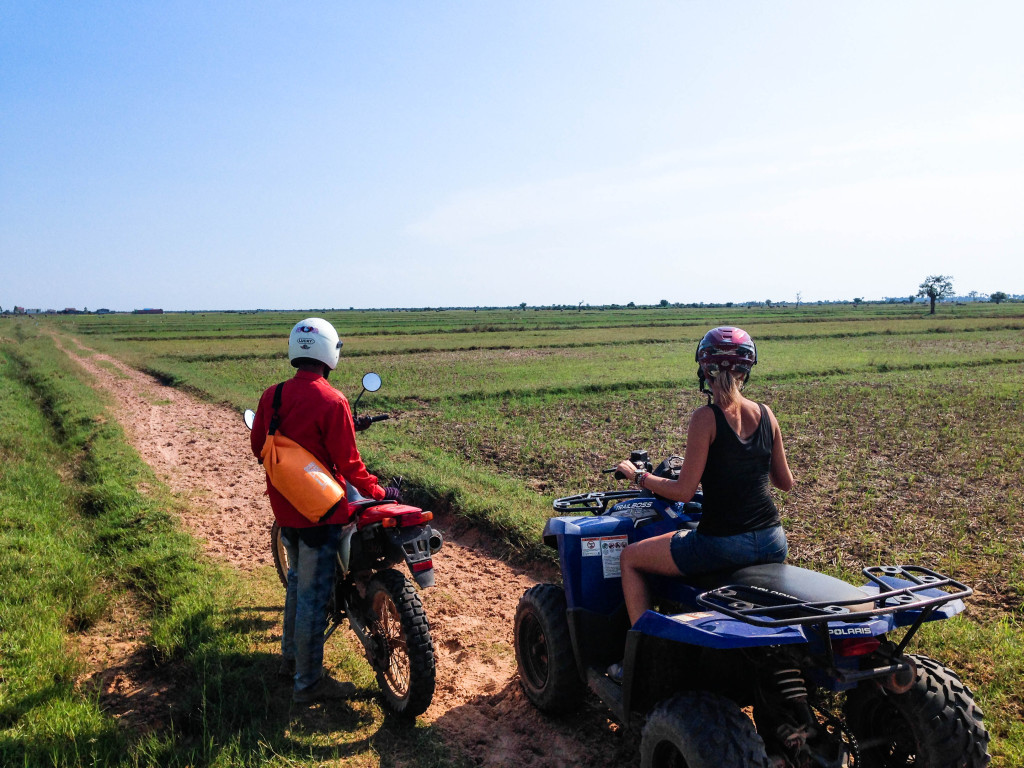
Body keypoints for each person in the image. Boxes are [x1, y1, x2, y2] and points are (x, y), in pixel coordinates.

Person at [250, 317, 397, 704]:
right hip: (321, 514)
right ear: (330, 352)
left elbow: (258, 447)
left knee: (298, 585)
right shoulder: (333, 401)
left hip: (286, 510)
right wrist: (378, 490)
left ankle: (290, 661)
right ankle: (309, 683)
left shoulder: (273, 396)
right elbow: (349, 465)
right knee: (314, 597)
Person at [613, 326, 794, 631]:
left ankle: (642, 645)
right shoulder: (767, 414)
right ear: (746, 370)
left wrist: (640, 477)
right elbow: (784, 482)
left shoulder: (706, 417)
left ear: (705, 372)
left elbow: (683, 491)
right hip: (772, 540)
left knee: (630, 557)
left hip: (721, 544)